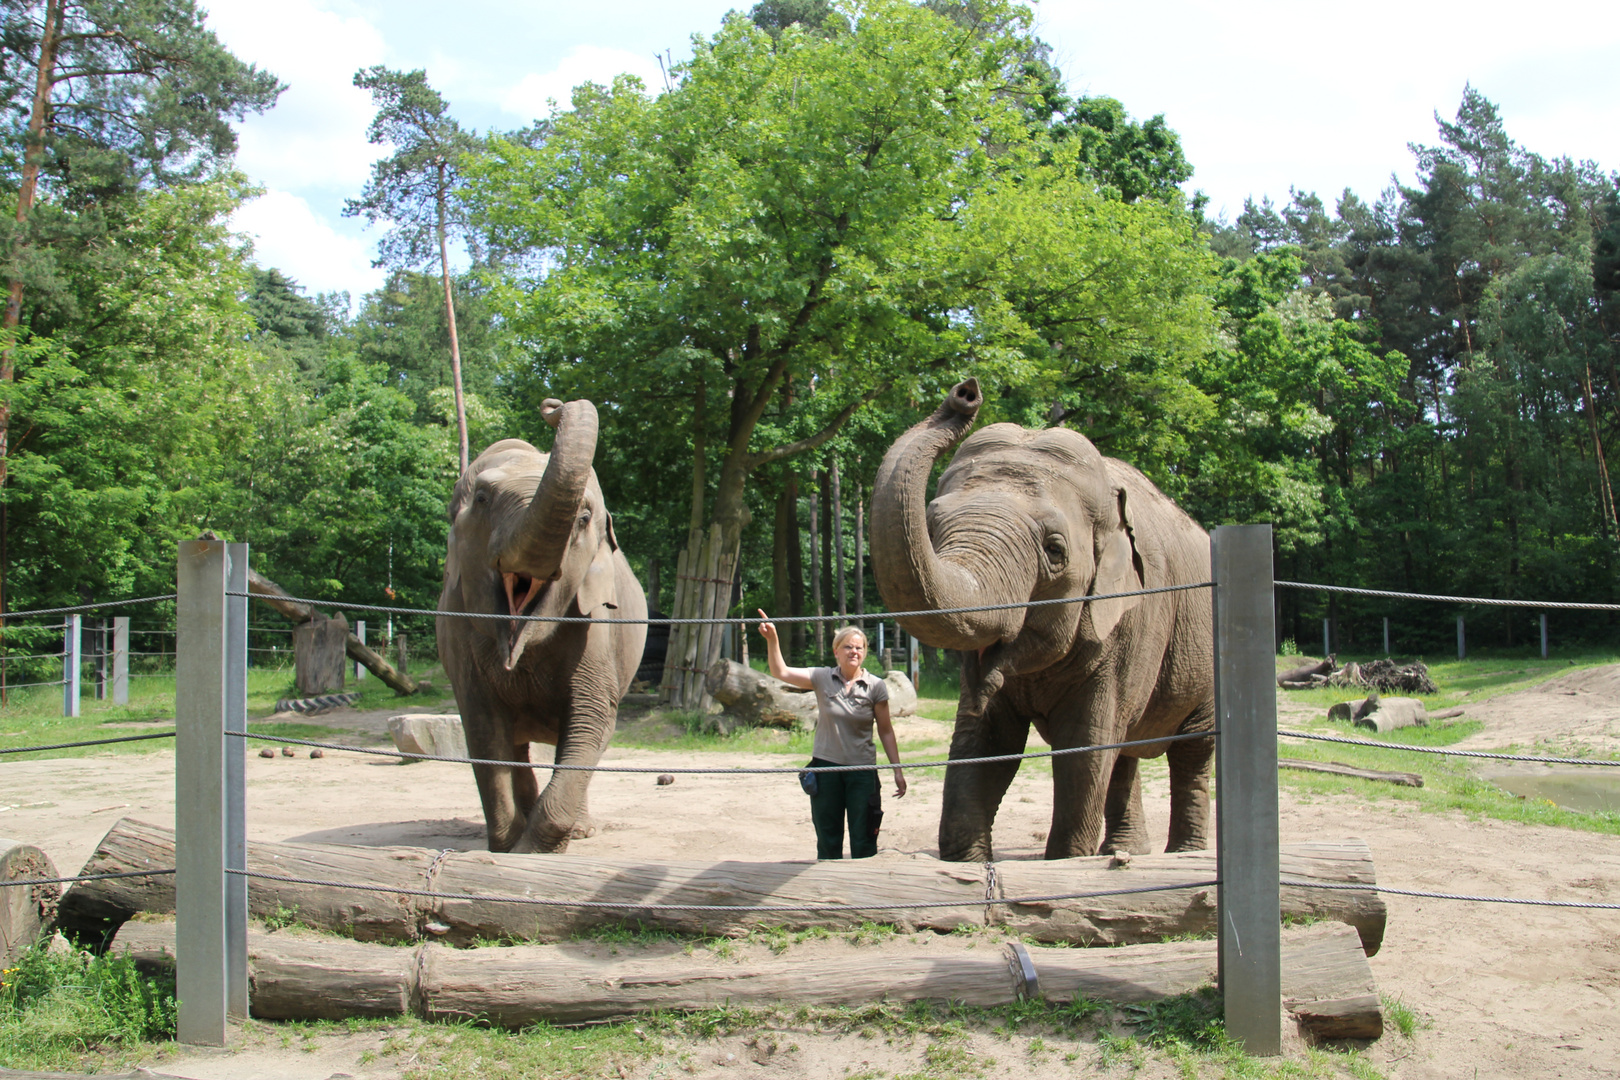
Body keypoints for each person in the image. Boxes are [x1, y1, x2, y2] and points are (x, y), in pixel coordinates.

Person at [756, 611, 906, 859]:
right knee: (828, 838)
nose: (853, 652)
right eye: (847, 647)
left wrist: (897, 770)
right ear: (836, 651)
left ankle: (865, 894)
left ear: (865, 652)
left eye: (859, 647)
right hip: (826, 770)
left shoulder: (876, 686)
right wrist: (772, 639)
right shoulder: (822, 677)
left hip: (862, 773)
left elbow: (886, 731)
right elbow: (780, 672)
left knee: (864, 838)